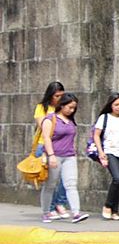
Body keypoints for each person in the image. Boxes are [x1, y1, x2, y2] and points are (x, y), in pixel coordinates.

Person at [40, 92, 89, 224]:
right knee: (50, 185)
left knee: (71, 184)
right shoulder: (50, 119)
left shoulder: (71, 121)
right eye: (69, 107)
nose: (72, 110)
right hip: (54, 155)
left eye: (74, 108)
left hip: (69, 156)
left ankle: (76, 212)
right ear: (62, 105)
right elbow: (46, 138)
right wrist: (51, 155)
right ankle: (46, 212)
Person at [34, 81, 71, 219]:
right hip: (45, 145)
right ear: (50, 95)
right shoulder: (42, 108)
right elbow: (43, 127)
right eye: (56, 96)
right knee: (51, 180)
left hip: (62, 146)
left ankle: (60, 203)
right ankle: (49, 207)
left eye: (61, 95)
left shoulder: (64, 108)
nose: (59, 99)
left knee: (65, 178)